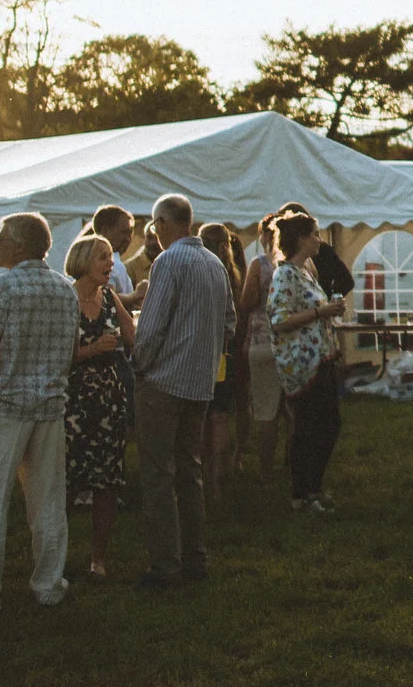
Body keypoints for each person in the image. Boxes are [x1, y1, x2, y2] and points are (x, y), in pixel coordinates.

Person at [0, 211, 79, 617]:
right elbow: (69, 351)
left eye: (0, 238)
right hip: (48, 408)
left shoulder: (2, 288)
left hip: (1, 407)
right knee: (48, 501)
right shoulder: (66, 289)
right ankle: (48, 584)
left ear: (21, 245)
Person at [131, 193, 234, 589]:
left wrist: (140, 364)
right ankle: (195, 558)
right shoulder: (214, 263)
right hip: (200, 384)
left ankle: (165, 566)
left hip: (163, 381)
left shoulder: (168, 261)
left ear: (160, 223)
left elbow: (152, 327)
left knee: (158, 475)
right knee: (190, 472)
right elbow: (229, 323)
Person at [64, 232, 137, 579]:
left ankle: (99, 558)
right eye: (102, 257)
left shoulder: (109, 296)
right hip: (72, 401)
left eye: (110, 257)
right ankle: (55, 554)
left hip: (108, 398)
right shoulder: (65, 297)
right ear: (82, 262)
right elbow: (53, 355)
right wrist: (91, 351)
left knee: (107, 480)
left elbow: (132, 335)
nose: (111, 263)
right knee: (65, 479)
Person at [268, 212, 348, 511]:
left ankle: (311, 487)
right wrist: (320, 312)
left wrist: (327, 310)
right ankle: (303, 493)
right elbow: (279, 320)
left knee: (326, 425)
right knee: (309, 427)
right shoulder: (285, 275)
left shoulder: (305, 272)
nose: (319, 240)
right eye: (315, 234)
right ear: (302, 239)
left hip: (321, 356)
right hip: (302, 363)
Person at [197, 222, 246, 502]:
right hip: (223, 353)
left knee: (202, 419)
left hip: (200, 355)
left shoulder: (200, 271)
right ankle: (220, 475)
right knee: (220, 417)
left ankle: (206, 479)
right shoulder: (232, 274)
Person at [241, 213, 286, 480]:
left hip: (262, 342)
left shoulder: (259, 265)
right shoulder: (300, 265)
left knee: (266, 412)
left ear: (265, 236)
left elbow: (247, 303)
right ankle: (293, 467)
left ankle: (265, 472)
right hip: (291, 344)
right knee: (292, 413)